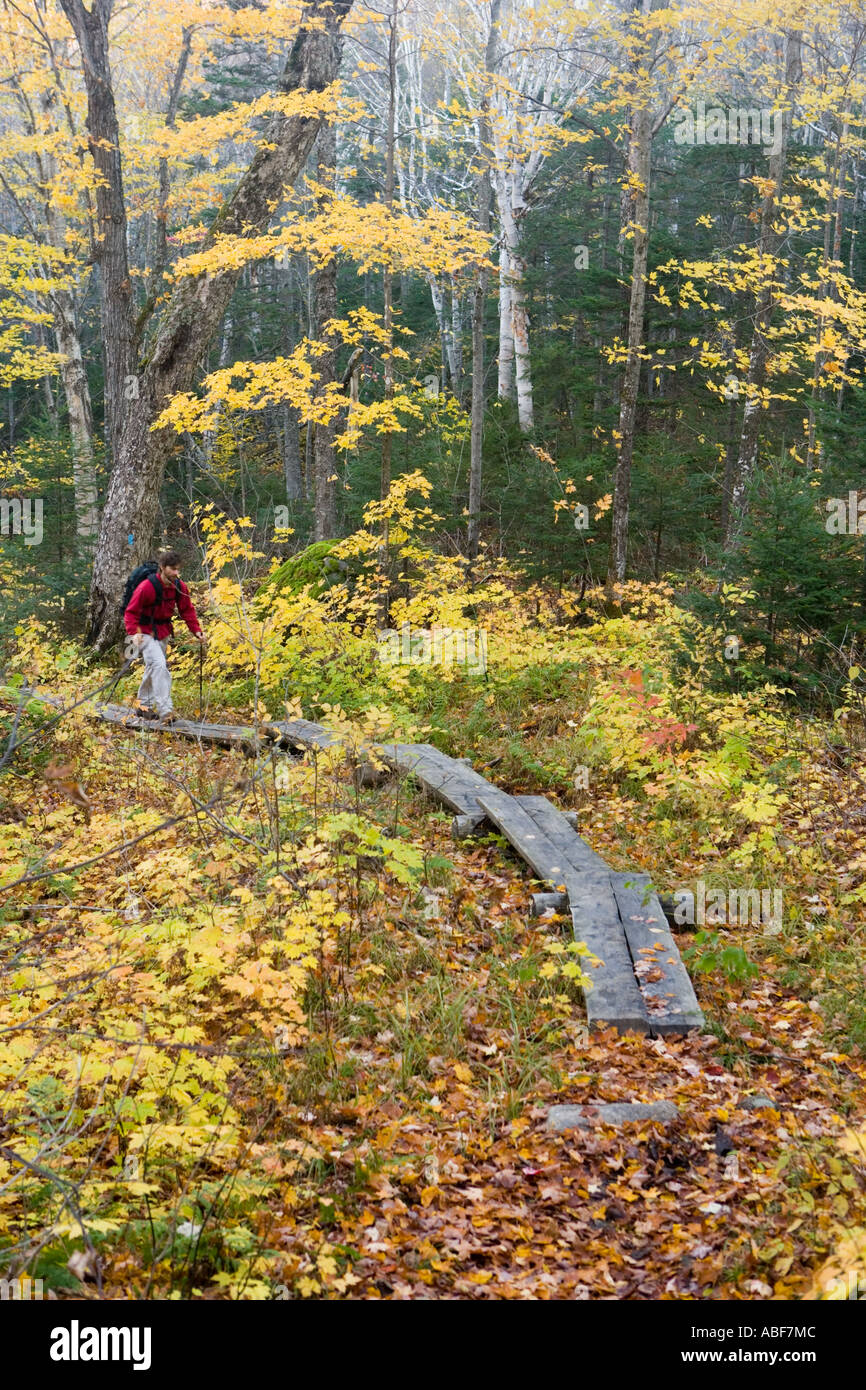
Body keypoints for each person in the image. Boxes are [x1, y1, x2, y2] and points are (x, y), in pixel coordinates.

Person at [123, 550, 206, 724]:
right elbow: (130, 612)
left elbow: (187, 609)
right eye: (172, 569)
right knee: (160, 666)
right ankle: (165, 710)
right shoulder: (146, 587)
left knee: (153, 667)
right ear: (162, 568)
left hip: (163, 632)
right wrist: (134, 632)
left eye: (178, 569)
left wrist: (196, 630)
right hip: (145, 631)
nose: (176, 573)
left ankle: (142, 706)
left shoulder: (179, 587)